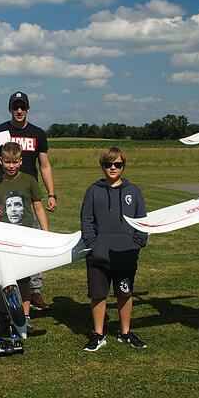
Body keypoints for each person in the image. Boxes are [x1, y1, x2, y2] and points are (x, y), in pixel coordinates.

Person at [0, 91, 56, 310]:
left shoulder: (37, 134)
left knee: (31, 247)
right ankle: (1, 292)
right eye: (15, 106)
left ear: (28, 108)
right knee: (1, 248)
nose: (19, 110)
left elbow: (44, 165)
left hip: (28, 197)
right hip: (3, 198)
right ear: (10, 109)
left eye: (22, 106)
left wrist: (51, 194)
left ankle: (34, 291)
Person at [80, 147, 148, 352]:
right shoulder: (93, 191)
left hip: (125, 255)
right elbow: (86, 220)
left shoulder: (134, 191)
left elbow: (142, 221)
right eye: (108, 164)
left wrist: (137, 243)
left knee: (125, 293)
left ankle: (125, 332)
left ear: (123, 166)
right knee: (98, 294)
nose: (112, 168)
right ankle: (98, 334)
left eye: (117, 164)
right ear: (102, 166)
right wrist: (94, 244)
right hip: (99, 256)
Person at [0, 142, 48, 333]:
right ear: (1, 162)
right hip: (2, 239)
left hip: (24, 239)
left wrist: (45, 233)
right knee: (4, 279)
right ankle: (5, 317)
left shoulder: (29, 181)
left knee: (23, 280)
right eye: (7, 162)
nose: (11, 166)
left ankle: (26, 316)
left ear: (21, 161)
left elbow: (38, 207)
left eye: (14, 162)